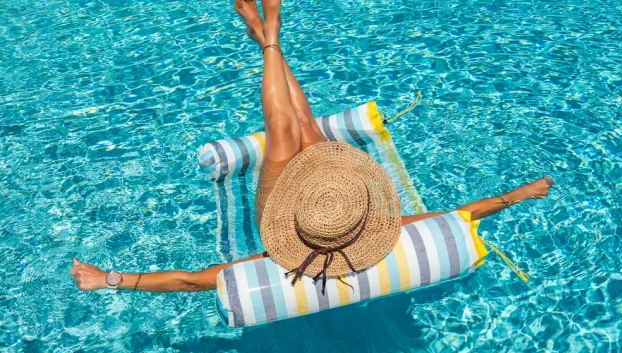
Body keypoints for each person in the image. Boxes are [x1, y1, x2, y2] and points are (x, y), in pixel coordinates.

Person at [70, 0, 553, 293]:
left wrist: (106, 278)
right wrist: (518, 195)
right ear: (360, 226)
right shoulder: (373, 233)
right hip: (330, 195)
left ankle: (268, 37)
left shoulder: (282, 261)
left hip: (306, 205)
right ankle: (268, 37)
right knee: (298, 122)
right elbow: (462, 215)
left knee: (282, 127)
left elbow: (190, 280)